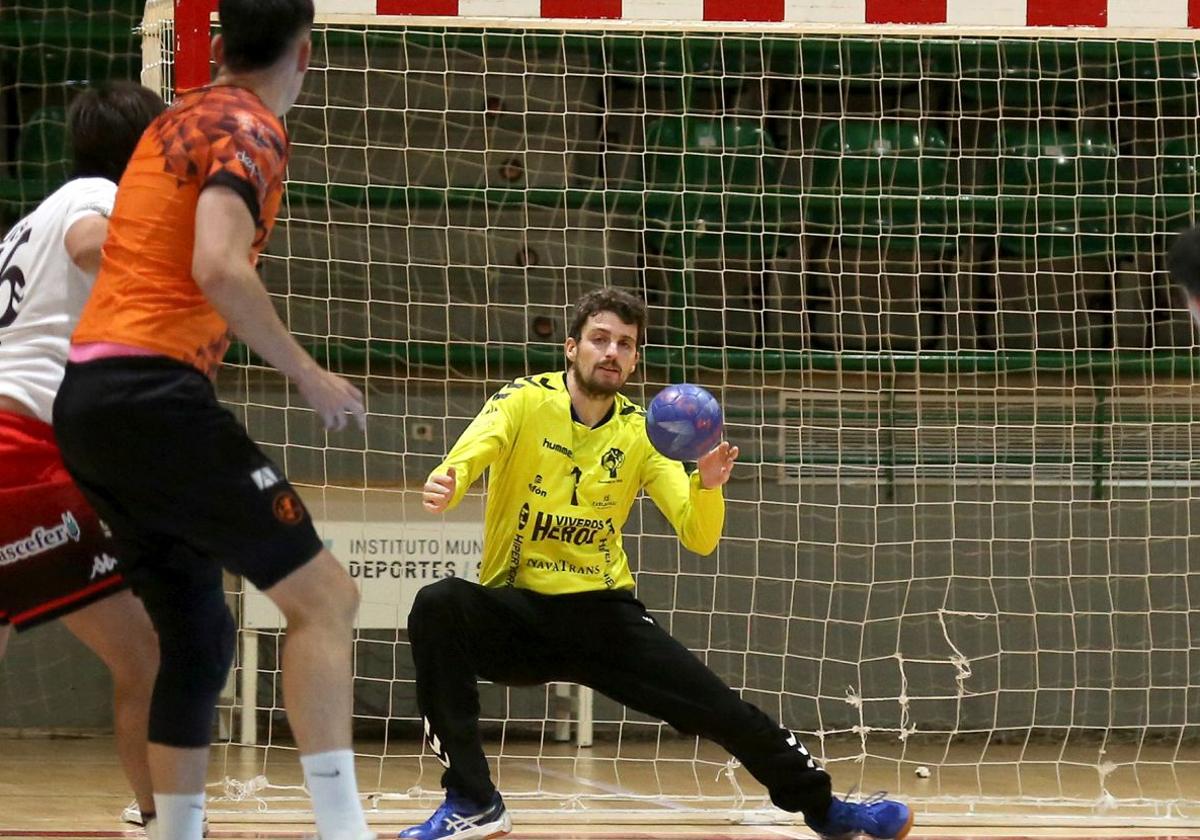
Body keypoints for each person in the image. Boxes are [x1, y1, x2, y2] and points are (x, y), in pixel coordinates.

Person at [406, 287, 914, 840]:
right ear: (571, 348)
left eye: (625, 344)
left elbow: (698, 537)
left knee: (719, 709)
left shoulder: (644, 432)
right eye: (600, 340)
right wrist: (448, 484)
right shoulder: (525, 400)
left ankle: (827, 809)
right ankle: (474, 800)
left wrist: (710, 486)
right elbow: (476, 449)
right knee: (439, 605)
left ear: (635, 359)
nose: (612, 352)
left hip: (603, 617)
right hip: (518, 611)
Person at [51, 3, 372, 839]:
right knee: (326, 599)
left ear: (221, 47)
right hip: (153, 393)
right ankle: (345, 831)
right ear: (305, 53)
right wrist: (308, 375)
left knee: (195, 632)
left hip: (84, 404)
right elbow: (219, 267)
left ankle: (176, 832)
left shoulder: (169, 124)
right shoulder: (251, 129)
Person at [0, 80, 164, 836]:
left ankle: (158, 811)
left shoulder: (22, 225)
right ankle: (163, 814)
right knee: (146, 655)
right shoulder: (96, 198)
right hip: (22, 456)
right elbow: (95, 244)